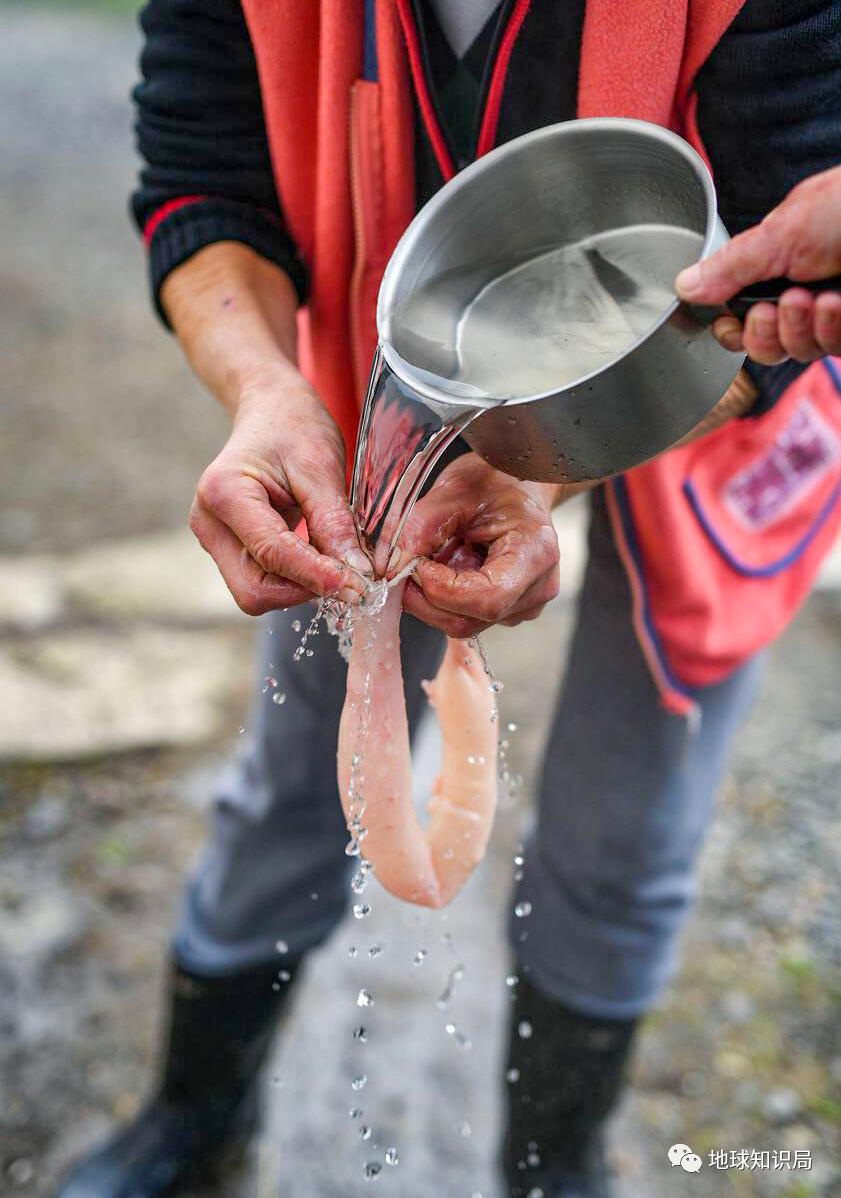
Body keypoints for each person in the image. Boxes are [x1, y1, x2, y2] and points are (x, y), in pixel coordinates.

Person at [58, 3, 841, 1197]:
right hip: (387, 407)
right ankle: (191, 1116)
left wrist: (554, 466)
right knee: (296, 780)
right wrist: (264, 394)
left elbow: (788, 248)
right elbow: (198, 178)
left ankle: (557, 1161)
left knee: (623, 830)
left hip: (711, 403)